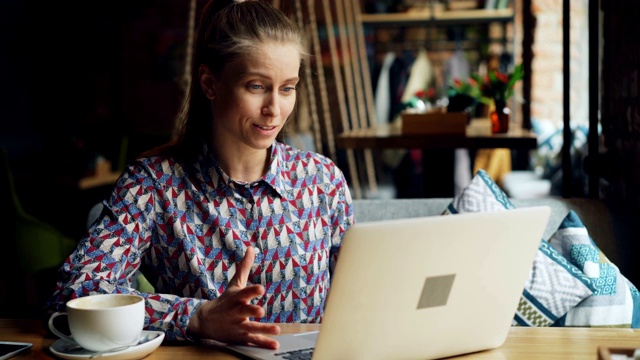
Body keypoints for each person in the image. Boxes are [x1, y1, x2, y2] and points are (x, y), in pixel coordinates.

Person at [45, 0, 354, 350]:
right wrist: (197, 316)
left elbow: (361, 299)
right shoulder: (153, 184)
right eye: (255, 86)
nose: (274, 108)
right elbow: (76, 292)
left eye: (287, 88)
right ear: (209, 83)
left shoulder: (323, 180)